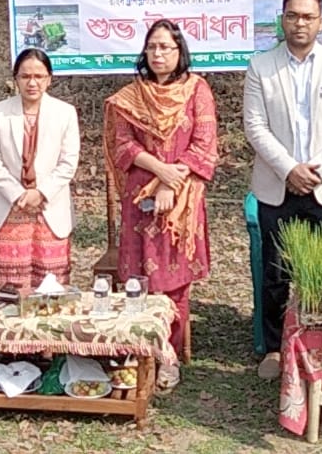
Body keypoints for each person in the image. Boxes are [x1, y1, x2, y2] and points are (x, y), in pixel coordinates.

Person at [243, 0, 322, 380]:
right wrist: (288, 169)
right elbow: (255, 126)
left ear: (321, 21)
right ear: (282, 19)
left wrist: (317, 169)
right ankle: (278, 350)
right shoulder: (261, 66)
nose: (300, 23)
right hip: (277, 187)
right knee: (277, 272)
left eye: (308, 17)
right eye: (293, 15)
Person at [105, 19, 219, 391]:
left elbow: (204, 145)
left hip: (182, 201)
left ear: (179, 51)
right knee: (139, 280)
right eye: (152, 47)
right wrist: (160, 172)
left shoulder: (197, 91)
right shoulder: (130, 95)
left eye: (166, 47)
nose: (158, 54)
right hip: (141, 199)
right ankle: (140, 354)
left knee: (174, 285)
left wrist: (173, 181)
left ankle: (168, 359)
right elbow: (123, 146)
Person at [0, 48, 80, 288]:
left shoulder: (65, 113)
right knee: (5, 292)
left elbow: (68, 162)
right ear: (15, 79)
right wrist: (19, 194)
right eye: (25, 77)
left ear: (49, 79)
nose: (32, 83)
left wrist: (39, 193)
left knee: (50, 289)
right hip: (7, 208)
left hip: (48, 207)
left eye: (39, 76)